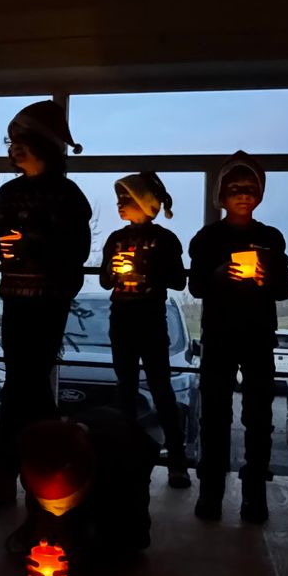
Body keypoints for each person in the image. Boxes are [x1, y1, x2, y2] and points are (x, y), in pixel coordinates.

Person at [0, 100, 92, 504]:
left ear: (43, 145)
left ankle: (17, 466)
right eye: (10, 141)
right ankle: (44, 465)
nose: (13, 149)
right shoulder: (9, 193)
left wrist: (32, 247)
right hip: (15, 299)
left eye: (21, 141)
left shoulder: (67, 196)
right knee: (23, 382)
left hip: (48, 302)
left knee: (25, 383)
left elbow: (77, 251)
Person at [187, 153, 288, 523]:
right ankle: (211, 491)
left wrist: (268, 279)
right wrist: (217, 275)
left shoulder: (271, 238)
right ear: (221, 195)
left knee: (259, 416)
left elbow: (284, 289)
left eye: (249, 188)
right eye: (235, 188)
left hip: (258, 335)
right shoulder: (207, 238)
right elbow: (196, 287)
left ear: (260, 194)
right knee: (214, 414)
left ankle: (254, 493)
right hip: (219, 334)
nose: (243, 194)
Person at [99, 172, 191, 489]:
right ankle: (124, 452)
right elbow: (105, 281)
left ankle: (176, 458)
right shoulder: (115, 239)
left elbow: (178, 280)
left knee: (161, 387)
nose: (119, 204)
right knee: (124, 387)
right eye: (119, 198)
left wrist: (147, 270)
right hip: (121, 319)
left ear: (145, 203)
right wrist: (113, 269)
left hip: (151, 319)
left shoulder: (165, 240)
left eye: (126, 198)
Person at [12, 410, 156, 576]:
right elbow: (33, 532)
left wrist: (81, 563)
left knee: (132, 537)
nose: (56, 512)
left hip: (131, 445)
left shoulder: (121, 466)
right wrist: (37, 543)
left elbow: (135, 542)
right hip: (84, 449)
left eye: (63, 503)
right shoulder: (41, 455)